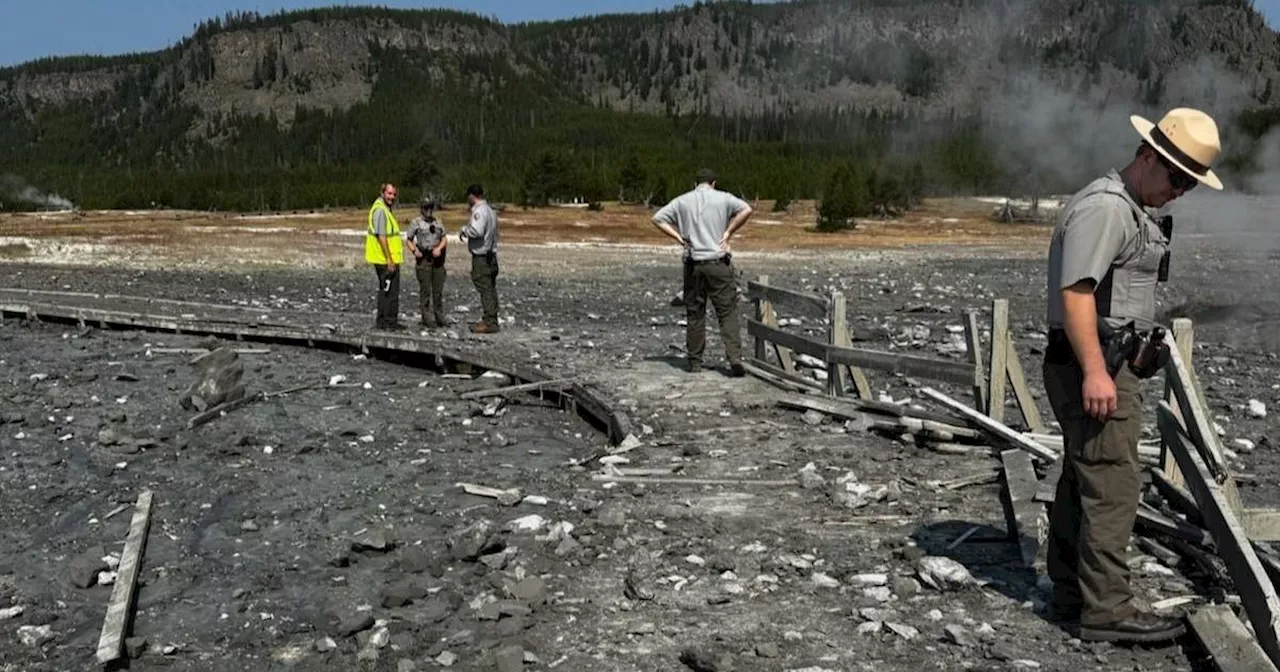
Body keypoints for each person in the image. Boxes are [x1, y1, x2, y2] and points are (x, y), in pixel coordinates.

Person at [1043, 107, 1222, 644]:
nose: (1180, 190)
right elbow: (1075, 293)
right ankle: (1108, 611)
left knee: (1087, 476)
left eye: (1190, 183)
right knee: (1114, 482)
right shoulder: (1108, 209)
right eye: (1177, 177)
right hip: (1093, 364)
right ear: (1148, 157)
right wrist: (1097, 371)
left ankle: (1073, 594)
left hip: (1102, 359)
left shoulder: (1129, 208)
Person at [652, 168, 754, 376]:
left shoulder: (682, 201)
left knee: (695, 313)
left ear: (695, 183)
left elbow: (657, 218)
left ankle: (695, 362)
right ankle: (734, 359)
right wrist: (727, 233)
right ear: (714, 183)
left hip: (693, 262)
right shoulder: (724, 198)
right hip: (718, 261)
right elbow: (746, 210)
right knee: (727, 312)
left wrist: (679, 238)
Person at [459, 184, 500, 334]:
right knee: (490, 287)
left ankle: (489, 321)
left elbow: (477, 230)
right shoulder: (490, 210)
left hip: (482, 256)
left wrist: (464, 230)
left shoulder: (479, 212)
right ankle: (492, 317)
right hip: (491, 254)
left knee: (485, 287)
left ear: (472, 196)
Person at [405, 197, 450, 328]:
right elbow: (408, 239)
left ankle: (439, 316)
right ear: (421, 209)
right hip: (423, 257)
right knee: (425, 290)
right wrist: (414, 251)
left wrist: (439, 248)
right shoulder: (416, 223)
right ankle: (426, 317)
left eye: (430, 207)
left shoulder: (438, 222)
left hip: (437, 259)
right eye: (426, 207)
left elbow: (444, 238)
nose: (429, 210)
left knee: (438, 289)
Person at [366, 183, 405, 331]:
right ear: (382, 193)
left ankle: (382, 322)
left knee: (385, 289)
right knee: (391, 291)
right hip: (384, 259)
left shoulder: (382, 209)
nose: (392, 197)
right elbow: (382, 236)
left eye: (394, 194)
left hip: (382, 258)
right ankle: (389, 322)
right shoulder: (381, 211)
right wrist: (389, 259)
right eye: (389, 194)